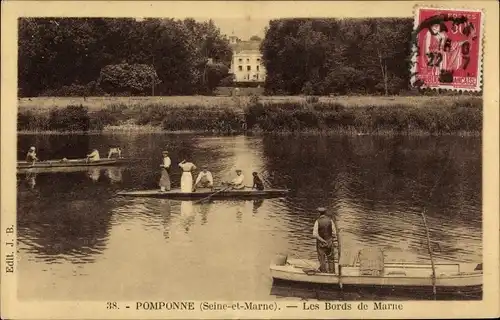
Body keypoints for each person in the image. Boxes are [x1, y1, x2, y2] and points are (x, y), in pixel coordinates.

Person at [312, 207, 338, 273]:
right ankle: (332, 273)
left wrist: (322, 240)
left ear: (319, 213)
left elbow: (315, 234)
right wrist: (330, 239)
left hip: (321, 244)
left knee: (322, 258)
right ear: (325, 213)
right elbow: (334, 233)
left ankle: (324, 273)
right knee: (331, 259)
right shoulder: (330, 220)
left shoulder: (317, 221)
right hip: (329, 242)